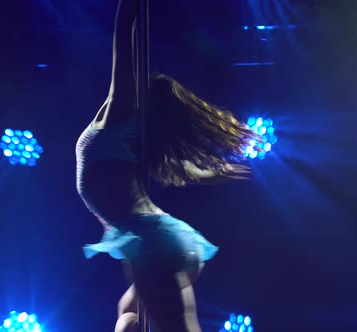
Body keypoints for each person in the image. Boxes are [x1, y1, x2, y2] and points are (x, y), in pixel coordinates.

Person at [75, 0, 259, 331]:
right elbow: (180, 169)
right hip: (159, 240)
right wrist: (213, 173)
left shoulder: (119, 113)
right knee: (128, 317)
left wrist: (127, 10)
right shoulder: (130, 136)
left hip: (152, 243)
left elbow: (123, 50)